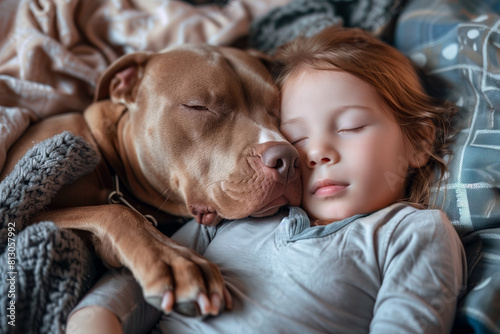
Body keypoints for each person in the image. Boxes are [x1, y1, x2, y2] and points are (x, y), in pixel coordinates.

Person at [66, 26, 466, 334]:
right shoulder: (234, 219)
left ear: (418, 141)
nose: (308, 153)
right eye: (298, 135)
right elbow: (122, 298)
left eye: (351, 126)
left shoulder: (411, 231)